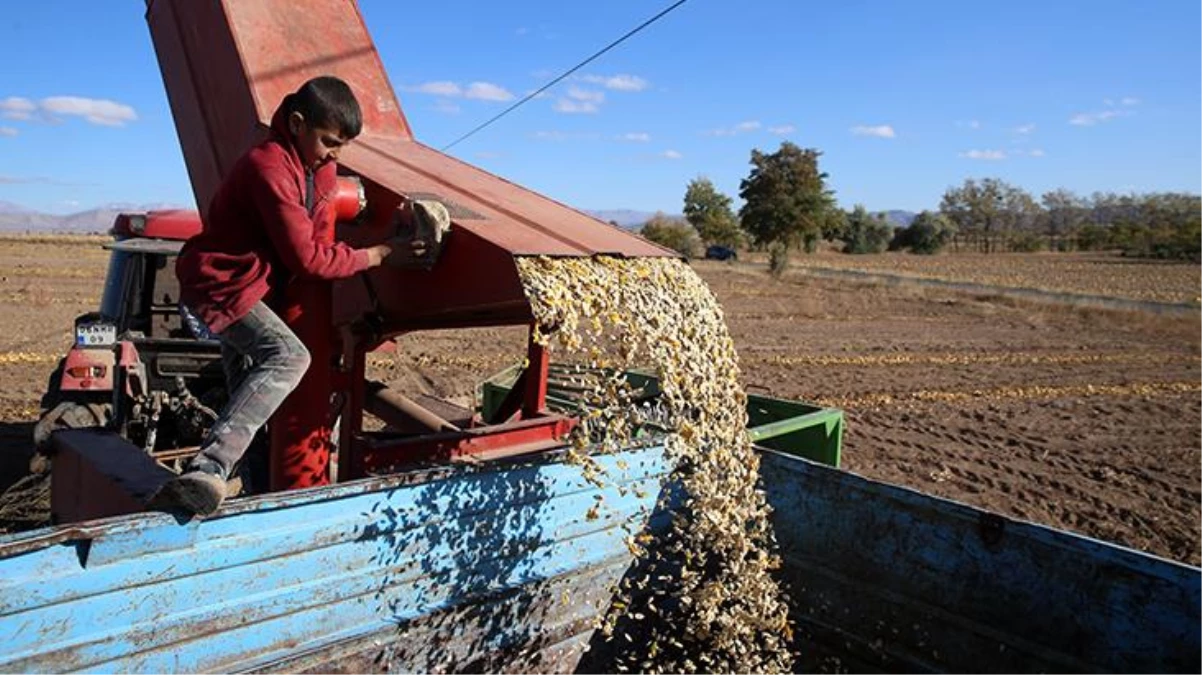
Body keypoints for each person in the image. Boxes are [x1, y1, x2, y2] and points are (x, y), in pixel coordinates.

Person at [153, 76, 403, 517]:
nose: (335, 155)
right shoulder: (268, 167)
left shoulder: (314, 166)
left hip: (252, 286)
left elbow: (316, 218)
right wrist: (378, 254)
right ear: (297, 123)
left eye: (342, 146)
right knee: (288, 357)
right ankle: (208, 469)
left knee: (245, 392)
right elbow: (309, 259)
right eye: (328, 142)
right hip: (221, 284)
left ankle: (250, 494)